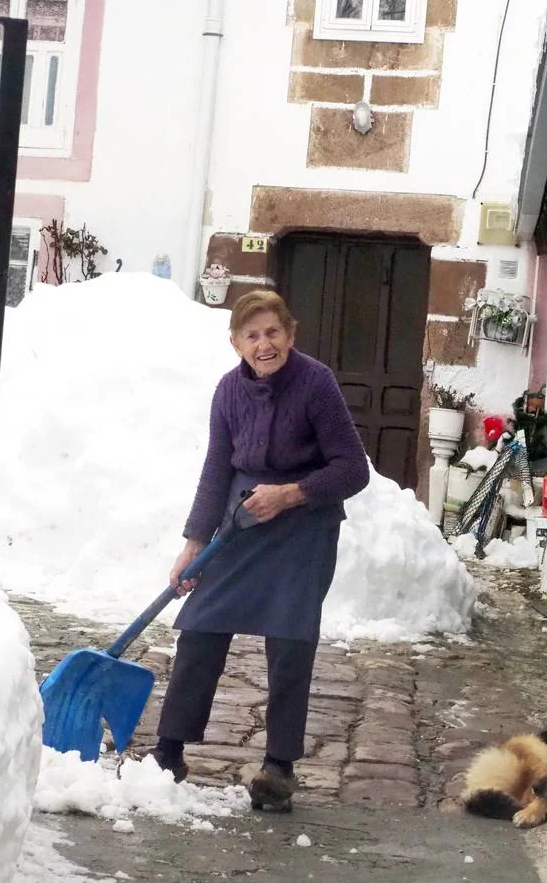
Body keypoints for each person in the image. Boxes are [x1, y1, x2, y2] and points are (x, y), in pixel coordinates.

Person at [147, 290, 371, 813]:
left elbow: (352, 469)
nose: (264, 343)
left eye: (273, 332)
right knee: (200, 625)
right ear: (236, 343)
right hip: (242, 520)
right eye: (252, 335)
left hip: (304, 528)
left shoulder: (316, 383)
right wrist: (193, 544)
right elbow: (216, 469)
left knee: (291, 643)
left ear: (289, 336)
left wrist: (292, 494)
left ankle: (278, 767)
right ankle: (169, 750)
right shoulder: (228, 392)